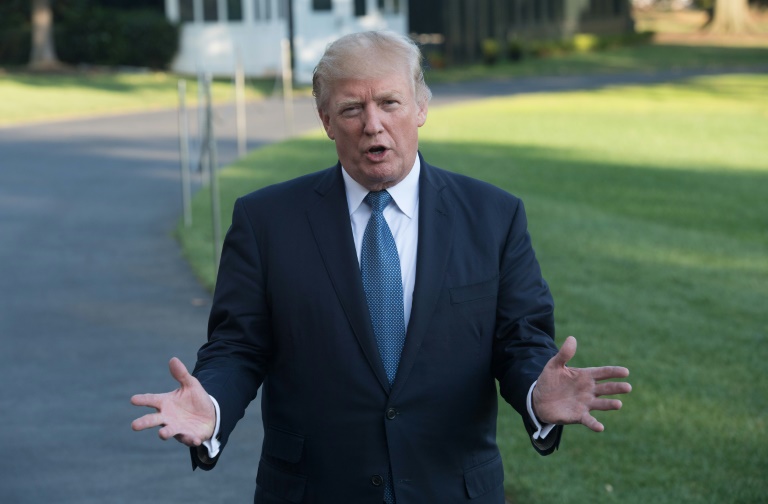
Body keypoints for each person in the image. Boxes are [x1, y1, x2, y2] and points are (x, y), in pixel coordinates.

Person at [131, 31, 631, 503]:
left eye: (389, 103)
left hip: (451, 489)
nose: (373, 123)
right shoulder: (266, 221)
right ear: (326, 121)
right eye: (352, 108)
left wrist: (534, 390)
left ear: (420, 107)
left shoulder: (494, 216)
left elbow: (521, 340)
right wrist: (211, 406)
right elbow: (238, 347)